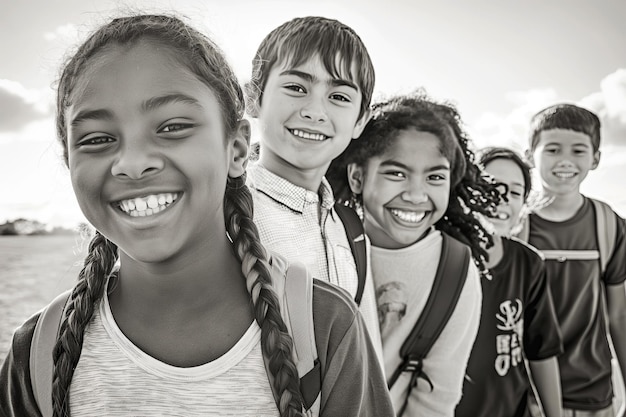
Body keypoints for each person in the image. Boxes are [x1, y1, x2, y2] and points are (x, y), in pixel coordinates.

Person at [0, 14, 394, 417]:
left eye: (172, 127)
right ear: (69, 160)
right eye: (97, 139)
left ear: (238, 150)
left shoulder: (329, 326)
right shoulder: (37, 352)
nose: (133, 164)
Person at [327, 90, 501, 416]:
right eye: (396, 173)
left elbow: (436, 399)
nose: (416, 194)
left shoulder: (455, 269)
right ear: (357, 176)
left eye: (435, 177)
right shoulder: (325, 239)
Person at [243, 16, 383, 360]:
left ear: (360, 121)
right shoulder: (220, 212)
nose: (315, 111)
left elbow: (367, 363)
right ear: (253, 98)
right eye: (296, 88)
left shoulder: (349, 229)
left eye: (338, 96)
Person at [521, 103, 626, 416]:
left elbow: (618, 317)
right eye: (552, 149)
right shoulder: (515, 227)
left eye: (578, 150)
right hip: (525, 397)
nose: (565, 161)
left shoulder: (609, 224)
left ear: (595, 159)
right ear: (530, 156)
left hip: (594, 394)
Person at [455, 147, 563, 417]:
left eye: (516, 192)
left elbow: (541, 352)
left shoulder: (529, 263)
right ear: (467, 190)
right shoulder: (444, 256)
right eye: (492, 185)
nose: (503, 198)